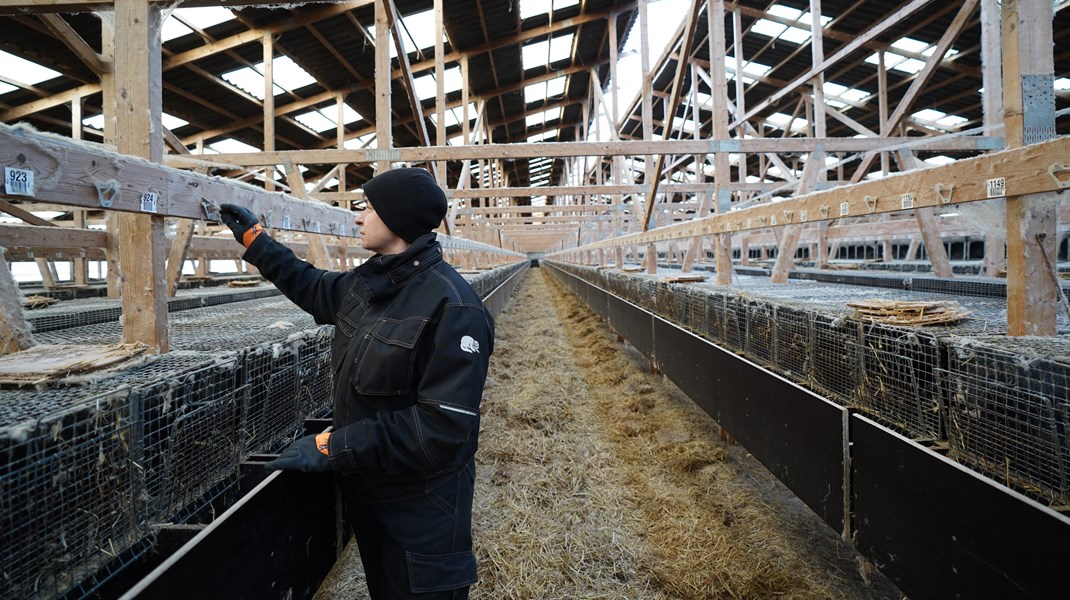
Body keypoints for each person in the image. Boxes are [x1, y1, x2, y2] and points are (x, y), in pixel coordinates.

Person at [219, 167, 493, 600]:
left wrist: (334, 446)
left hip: (422, 507)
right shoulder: (370, 285)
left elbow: (442, 430)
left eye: (368, 207)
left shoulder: (455, 308)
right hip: (371, 495)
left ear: (397, 219)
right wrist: (256, 241)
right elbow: (310, 285)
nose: (358, 217)